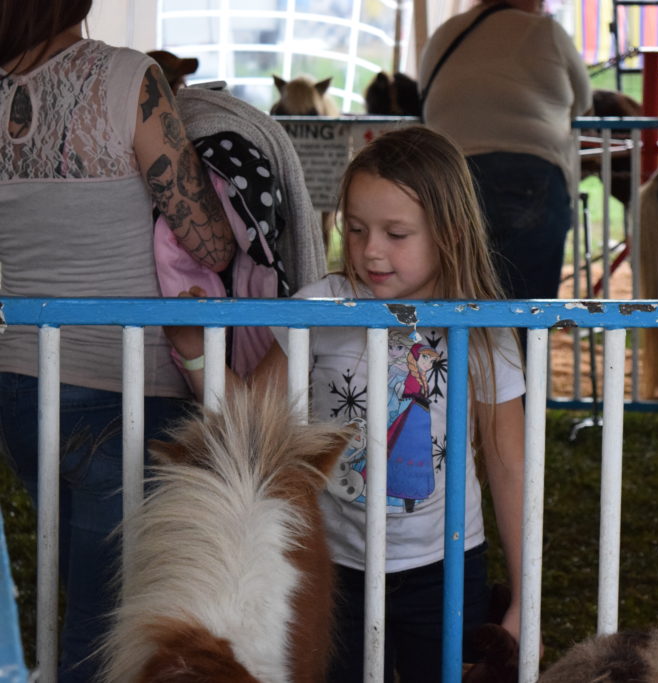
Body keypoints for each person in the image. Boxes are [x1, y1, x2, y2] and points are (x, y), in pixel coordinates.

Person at [165, 125, 528, 683]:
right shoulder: (318, 308)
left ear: (450, 233)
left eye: (396, 233)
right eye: (355, 229)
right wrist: (195, 355)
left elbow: (509, 466)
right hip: (332, 565)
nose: (370, 250)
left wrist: (525, 599)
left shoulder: (485, 330)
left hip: (447, 565)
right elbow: (250, 420)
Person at [0, 2, 235, 681]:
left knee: (86, 588)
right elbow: (208, 242)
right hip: (124, 388)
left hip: (21, 380)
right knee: (106, 627)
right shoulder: (131, 79)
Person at [419, 0, 591, 302]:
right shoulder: (546, 30)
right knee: (526, 311)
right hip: (531, 175)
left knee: (456, 308)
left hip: (450, 180)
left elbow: (424, 95)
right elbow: (584, 101)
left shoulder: (445, 32)